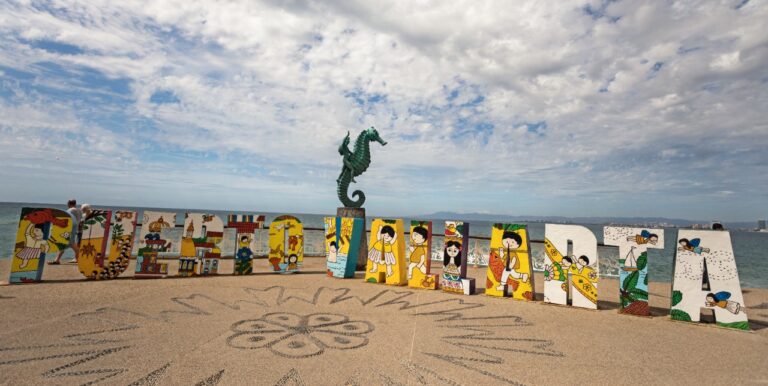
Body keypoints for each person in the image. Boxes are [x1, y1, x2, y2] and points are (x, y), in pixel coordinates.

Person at [50, 199, 82, 264]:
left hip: (69, 228)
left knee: (70, 243)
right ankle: (57, 260)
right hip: (75, 228)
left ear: (68, 203)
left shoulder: (70, 210)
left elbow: (67, 219)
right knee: (66, 243)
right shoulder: (79, 211)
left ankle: (81, 258)